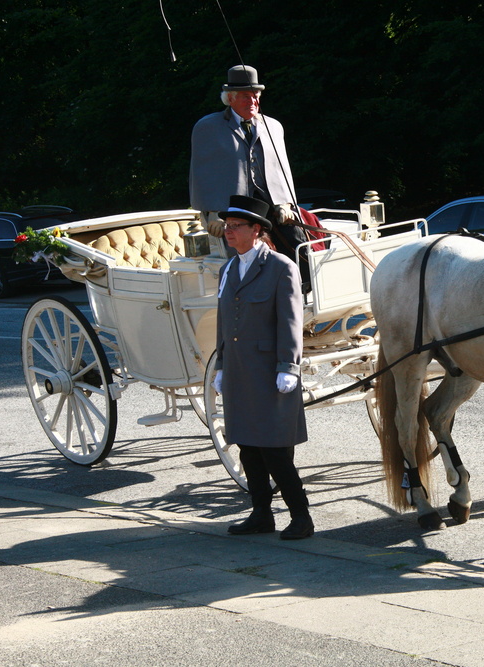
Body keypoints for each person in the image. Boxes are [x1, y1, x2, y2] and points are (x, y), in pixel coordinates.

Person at [213, 195, 314, 540]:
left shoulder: (280, 267)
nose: (228, 231)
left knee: (273, 447)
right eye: (227, 226)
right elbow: (223, 322)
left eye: (236, 226)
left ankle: (301, 516)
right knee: (247, 446)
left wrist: (289, 366)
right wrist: (222, 365)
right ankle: (261, 514)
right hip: (240, 372)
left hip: (271, 371)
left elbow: (290, 321)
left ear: (256, 230)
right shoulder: (228, 269)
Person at [189, 65, 306, 264]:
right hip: (233, 209)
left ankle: (303, 288)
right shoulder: (208, 127)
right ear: (230, 98)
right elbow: (203, 175)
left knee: (297, 243)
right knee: (245, 254)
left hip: (270, 204)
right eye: (246, 96)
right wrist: (214, 213)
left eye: (256, 96)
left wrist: (285, 203)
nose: (253, 101)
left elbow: (281, 168)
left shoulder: (273, 126)